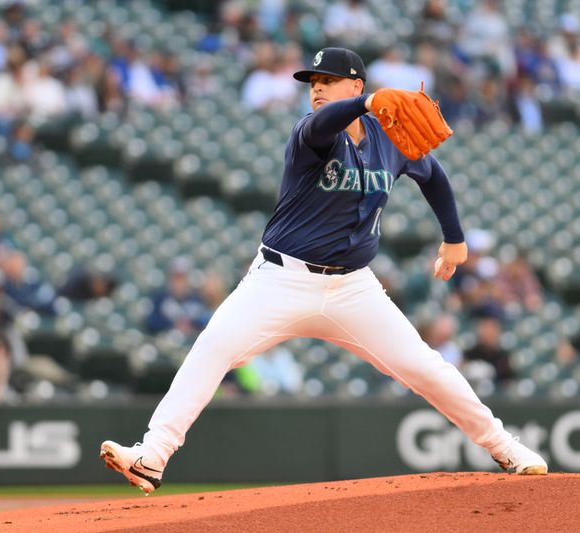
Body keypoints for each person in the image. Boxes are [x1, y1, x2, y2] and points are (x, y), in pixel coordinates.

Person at [100, 47, 547, 494]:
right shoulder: (312, 133)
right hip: (280, 278)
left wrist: (453, 239)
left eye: (327, 81)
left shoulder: (390, 138)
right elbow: (323, 123)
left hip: (353, 288)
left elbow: (432, 174)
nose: (316, 88)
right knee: (214, 346)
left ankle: (506, 448)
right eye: (313, 82)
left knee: (427, 368)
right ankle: (152, 454)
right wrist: (366, 103)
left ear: (355, 83)